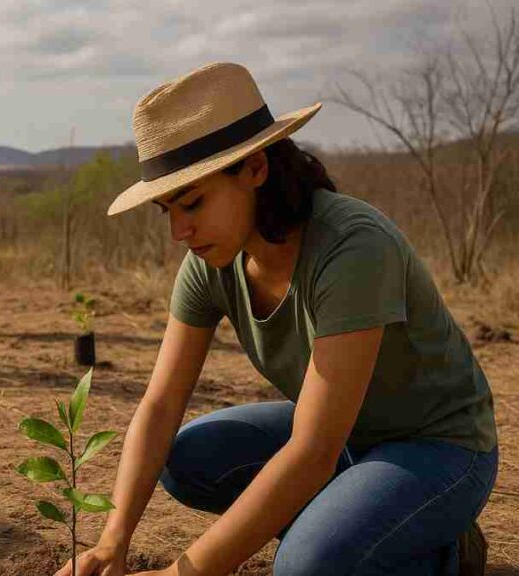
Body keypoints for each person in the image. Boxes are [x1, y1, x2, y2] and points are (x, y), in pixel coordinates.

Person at [60, 63, 497, 576]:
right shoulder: (210, 262)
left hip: (438, 447)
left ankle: (443, 550)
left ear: (255, 169)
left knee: (306, 566)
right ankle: (355, 517)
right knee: (188, 461)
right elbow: (160, 405)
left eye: (193, 202)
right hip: (346, 439)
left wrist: (185, 572)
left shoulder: (352, 247)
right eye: (166, 211)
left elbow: (313, 450)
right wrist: (113, 542)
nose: (179, 230)